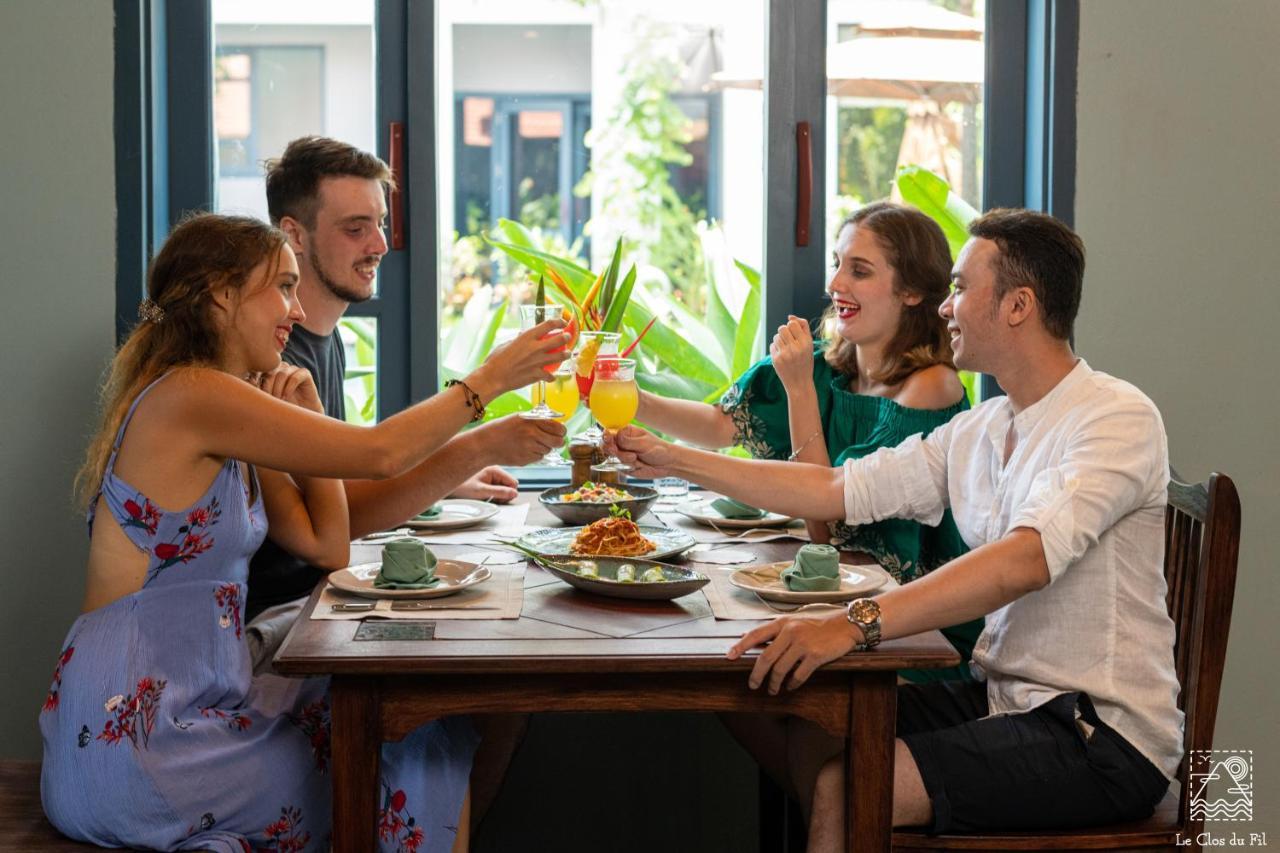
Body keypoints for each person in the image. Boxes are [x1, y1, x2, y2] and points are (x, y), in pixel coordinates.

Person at [610, 209, 1180, 846]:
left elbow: (1024, 560)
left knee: (845, 784)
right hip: (1001, 697)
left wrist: (851, 625)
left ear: (1018, 306)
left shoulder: (1115, 416)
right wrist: (672, 458)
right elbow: (835, 489)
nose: (945, 307)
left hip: (1095, 734)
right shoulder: (985, 427)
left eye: (961, 288)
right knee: (814, 728)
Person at [39, 213, 568, 852]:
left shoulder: (228, 406)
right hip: (139, 745)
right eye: (282, 287)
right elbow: (379, 453)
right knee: (397, 760)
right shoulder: (191, 395)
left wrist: (309, 415)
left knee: (390, 722)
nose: (295, 310)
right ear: (222, 294)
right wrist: (489, 379)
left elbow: (328, 544)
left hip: (184, 713)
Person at [250, 137, 554, 827]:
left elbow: (345, 489)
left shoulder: (317, 345)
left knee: (508, 682)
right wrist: (486, 401)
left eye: (380, 223)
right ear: (292, 235)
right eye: (354, 227)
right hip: (284, 632)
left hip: (321, 610)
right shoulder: (269, 359)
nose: (379, 242)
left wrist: (448, 479)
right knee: (493, 683)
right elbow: (359, 490)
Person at [637, 202, 980, 682]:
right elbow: (720, 424)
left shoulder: (931, 388)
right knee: (719, 670)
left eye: (858, 271)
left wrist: (799, 390)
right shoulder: (825, 364)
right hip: (833, 602)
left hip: (909, 640)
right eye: (837, 265)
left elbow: (828, 526)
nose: (835, 284)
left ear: (913, 292)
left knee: (738, 677)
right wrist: (629, 399)